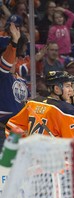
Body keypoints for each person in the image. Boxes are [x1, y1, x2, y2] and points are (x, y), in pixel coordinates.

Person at [5, 70, 74, 138]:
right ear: (57, 89)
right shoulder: (67, 110)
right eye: (67, 86)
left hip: (31, 153)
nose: (71, 90)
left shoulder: (33, 103)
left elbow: (11, 126)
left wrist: (21, 145)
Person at [0, 21, 29, 151]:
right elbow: (5, 64)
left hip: (19, 133)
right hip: (3, 131)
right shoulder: (2, 76)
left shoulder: (21, 81)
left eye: (15, 58)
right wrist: (14, 43)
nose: (13, 60)